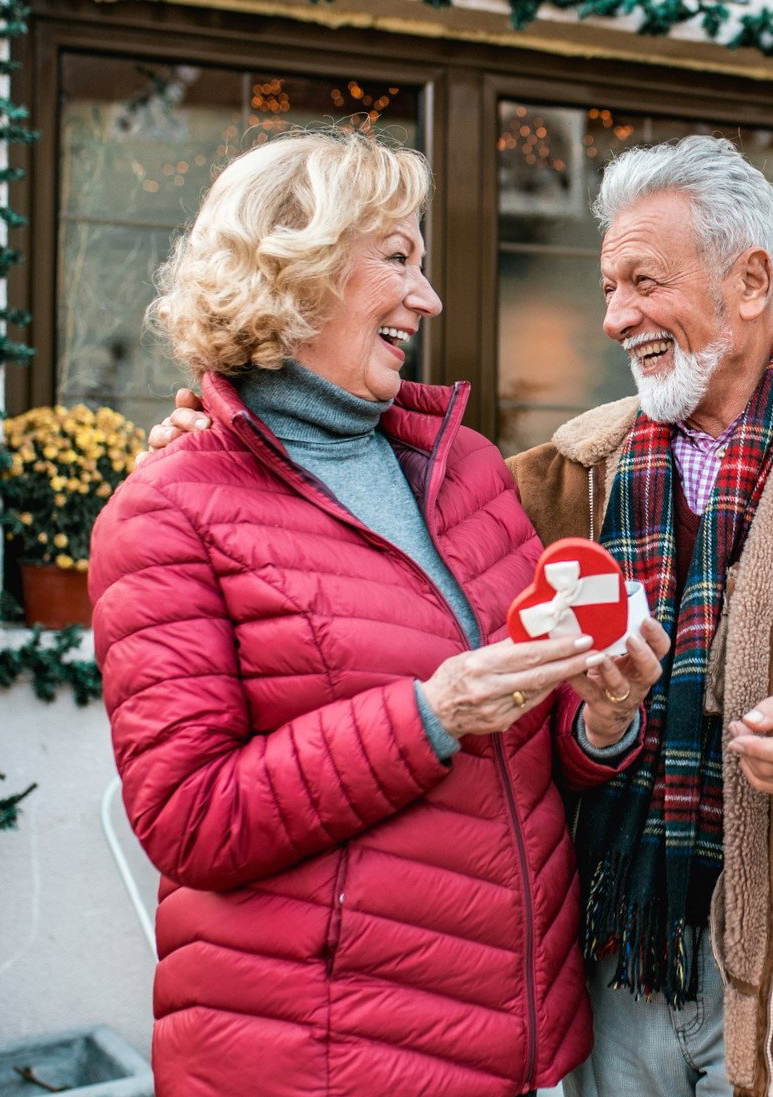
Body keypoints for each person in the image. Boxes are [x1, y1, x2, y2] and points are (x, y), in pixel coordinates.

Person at [148, 135, 773, 1097]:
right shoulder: (563, 477)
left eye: (643, 282)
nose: (616, 317)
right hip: (607, 967)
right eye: (608, 284)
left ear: (749, 281)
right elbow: (364, 498)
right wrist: (229, 431)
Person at [93, 129, 668, 1097]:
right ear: (298, 269)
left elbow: (523, 738)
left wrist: (601, 718)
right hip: (316, 1059)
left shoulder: (469, 471)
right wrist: (427, 715)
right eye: (397, 258)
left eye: (424, 262)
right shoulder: (167, 510)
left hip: (509, 1045)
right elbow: (189, 818)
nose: (428, 296)